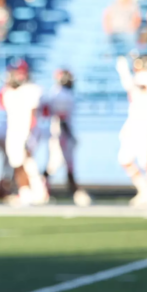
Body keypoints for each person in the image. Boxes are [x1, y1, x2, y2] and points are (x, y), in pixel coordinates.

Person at [0, 61, 48, 206]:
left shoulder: (31, 90)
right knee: (21, 163)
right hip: (14, 131)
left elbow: (35, 113)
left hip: (26, 131)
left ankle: (31, 192)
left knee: (26, 162)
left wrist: (31, 134)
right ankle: (34, 192)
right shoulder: (9, 91)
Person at [42, 70, 91, 207]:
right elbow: (62, 119)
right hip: (61, 134)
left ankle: (75, 193)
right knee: (54, 165)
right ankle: (40, 190)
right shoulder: (61, 94)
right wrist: (70, 135)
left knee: (66, 166)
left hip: (60, 132)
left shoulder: (58, 93)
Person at [116, 55, 147, 206]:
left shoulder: (146, 77)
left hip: (145, 122)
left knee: (146, 161)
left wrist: (123, 71)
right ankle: (144, 190)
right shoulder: (141, 77)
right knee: (125, 159)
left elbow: (131, 86)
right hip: (134, 122)